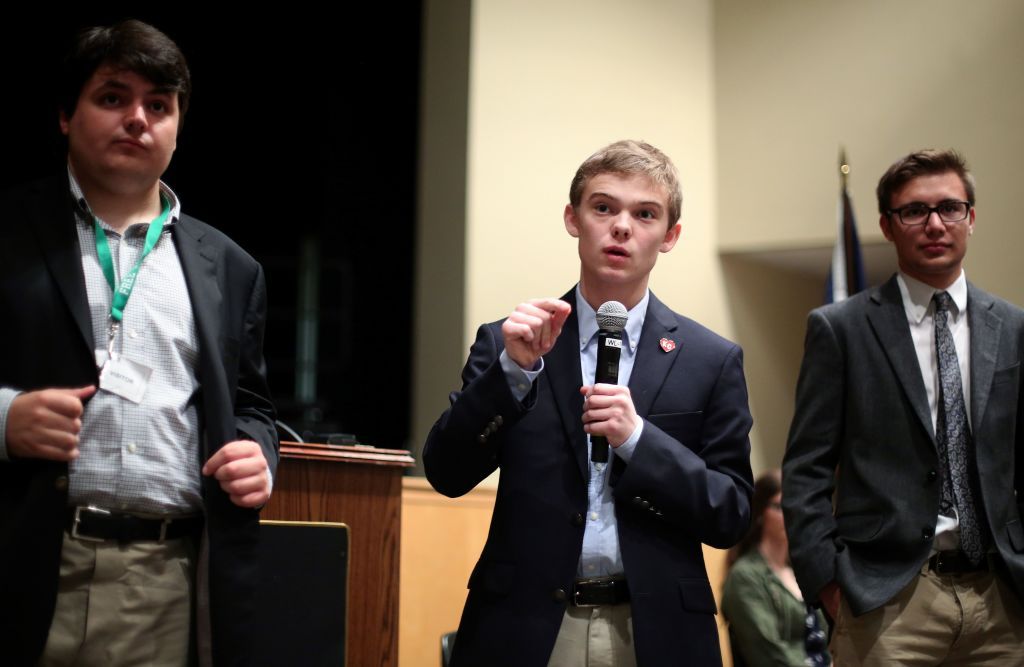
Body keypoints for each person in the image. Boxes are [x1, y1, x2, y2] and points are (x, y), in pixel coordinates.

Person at [0, 20, 278, 666]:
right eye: (112, 97)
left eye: (158, 105)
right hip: (24, 558)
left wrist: (261, 454)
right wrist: (5, 418)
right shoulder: (8, 232)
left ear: (178, 126)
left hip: (166, 580)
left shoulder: (231, 268)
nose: (137, 119)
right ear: (66, 115)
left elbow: (253, 407)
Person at [424, 140, 754, 666]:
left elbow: (731, 514)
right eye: (603, 208)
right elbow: (445, 471)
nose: (622, 227)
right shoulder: (507, 343)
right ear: (573, 219)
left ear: (669, 236)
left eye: (645, 214)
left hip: (655, 632)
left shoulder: (710, 359)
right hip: (524, 627)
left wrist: (639, 441)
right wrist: (513, 374)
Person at [782, 149, 1024, 664]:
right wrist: (827, 582)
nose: (934, 223)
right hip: (888, 601)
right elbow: (807, 470)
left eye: (950, 208)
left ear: (971, 218)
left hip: (1003, 599)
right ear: (888, 227)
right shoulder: (841, 328)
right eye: (914, 211)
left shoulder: (1013, 326)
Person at [722, 470, 829, 667]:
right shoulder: (745, 577)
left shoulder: (800, 569)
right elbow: (769, 654)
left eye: (795, 505)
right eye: (782, 507)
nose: (792, 515)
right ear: (761, 513)